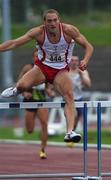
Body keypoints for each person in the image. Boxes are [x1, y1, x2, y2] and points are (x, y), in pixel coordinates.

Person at [0, 9, 93, 143]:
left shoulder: (68, 30)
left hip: (61, 71)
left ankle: (70, 132)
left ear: (59, 20)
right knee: (22, 85)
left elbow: (88, 46)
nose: (52, 23)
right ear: (44, 22)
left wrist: (85, 60)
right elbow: (15, 43)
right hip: (42, 68)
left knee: (69, 96)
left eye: (55, 20)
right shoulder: (38, 32)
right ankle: (17, 89)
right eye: (49, 21)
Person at [18, 49, 53, 159]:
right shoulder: (28, 68)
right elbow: (19, 83)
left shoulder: (47, 68)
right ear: (33, 58)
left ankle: (43, 150)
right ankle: (39, 135)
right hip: (30, 100)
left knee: (44, 124)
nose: (37, 58)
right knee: (30, 130)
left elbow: (49, 82)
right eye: (35, 56)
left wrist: (49, 90)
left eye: (39, 56)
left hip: (41, 99)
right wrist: (24, 93)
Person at [69, 55, 91, 131]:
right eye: (72, 60)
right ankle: (70, 132)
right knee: (72, 115)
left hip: (78, 97)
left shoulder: (83, 71)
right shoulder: (65, 71)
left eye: (76, 61)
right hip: (68, 98)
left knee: (77, 118)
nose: (74, 62)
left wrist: (81, 74)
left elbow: (88, 84)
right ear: (69, 61)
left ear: (78, 62)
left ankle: (72, 132)